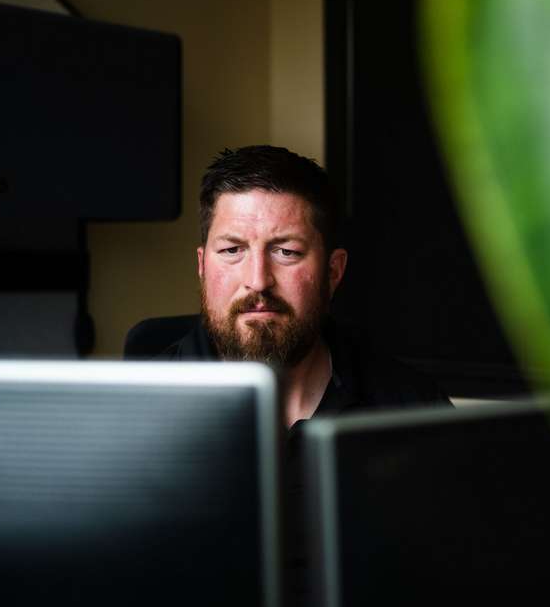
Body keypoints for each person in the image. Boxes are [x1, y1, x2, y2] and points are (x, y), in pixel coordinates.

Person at [157, 144, 449, 426]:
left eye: (287, 252)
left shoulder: (414, 412)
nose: (258, 281)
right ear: (202, 266)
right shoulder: (145, 409)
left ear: (333, 271)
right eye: (232, 250)